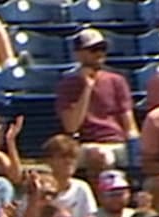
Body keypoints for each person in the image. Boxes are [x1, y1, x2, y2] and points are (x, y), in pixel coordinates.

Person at [56, 29, 138, 171]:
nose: (99, 54)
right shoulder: (68, 85)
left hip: (117, 142)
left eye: (102, 48)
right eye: (93, 50)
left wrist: (136, 145)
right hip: (88, 143)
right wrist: (87, 88)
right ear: (79, 54)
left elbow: (128, 122)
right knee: (99, 156)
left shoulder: (117, 81)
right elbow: (71, 126)